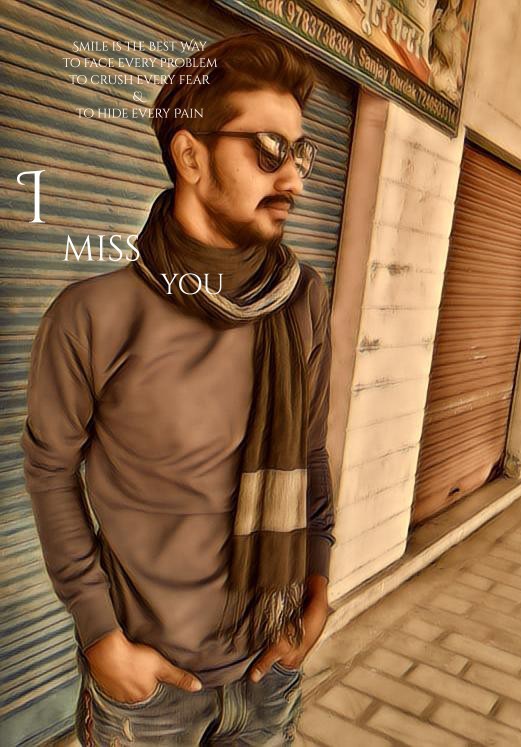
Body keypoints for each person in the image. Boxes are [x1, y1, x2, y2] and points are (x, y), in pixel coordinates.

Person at [21, 31, 336, 746]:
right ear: (191, 156)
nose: (294, 179)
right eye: (268, 150)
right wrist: (101, 636)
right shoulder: (94, 315)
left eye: (301, 152)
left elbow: (311, 451)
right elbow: (50, 471)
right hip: (151, 690)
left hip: (270, 668)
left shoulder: (303, 300)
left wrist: (317, 590)